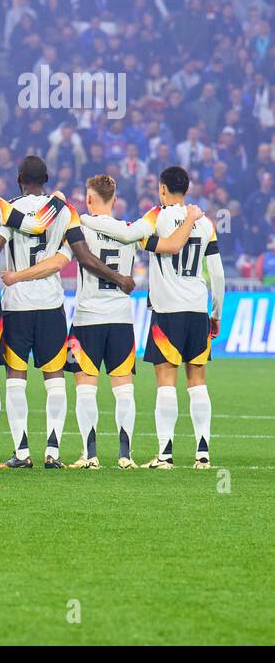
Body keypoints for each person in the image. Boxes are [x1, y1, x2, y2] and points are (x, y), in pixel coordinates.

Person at [0, 154, 133, 468]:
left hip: (16, 306)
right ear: (46, 179)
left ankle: (22, 451)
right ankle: (53, 451)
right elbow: (80, 255)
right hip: (52, 304)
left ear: (19, 179)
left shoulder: (9, 209)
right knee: (54, 377)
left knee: (16, 377)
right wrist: (119, 278)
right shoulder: (66, 212)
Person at [7, 174, 198, 468]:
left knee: (85, 387)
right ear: (115, 199)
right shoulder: (131, 232)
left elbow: (59, 262)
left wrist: (16, 277)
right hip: (122, 320)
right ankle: (125, 455)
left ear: (89, 198)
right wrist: (192, 218)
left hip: (86, 320)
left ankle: (90, 455)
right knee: (123, 389)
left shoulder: (80, 227)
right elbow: (171, 245)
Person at [79, 166, 224, 469]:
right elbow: (218, 274)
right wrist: (215, 312)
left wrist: (85, 219)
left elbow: (126, 233)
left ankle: (166, 454)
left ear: (161, 189)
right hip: (198, 308)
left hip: (168, 310)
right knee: (197, 381)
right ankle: (203, 453)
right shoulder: (206, 222)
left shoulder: (157, 216)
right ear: (187, 189)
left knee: (166, 380)